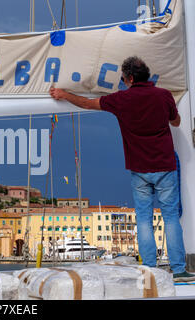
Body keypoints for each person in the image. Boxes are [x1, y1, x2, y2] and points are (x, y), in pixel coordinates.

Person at [49, 56, 195, 282]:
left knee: (144, 219)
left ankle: (149, 270)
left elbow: (88, 103)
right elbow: (175, 121)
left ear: (128, 78)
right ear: (146, 75)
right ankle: (179, 270)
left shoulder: (121, 100)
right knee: (171, 218)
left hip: (139, 168)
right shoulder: (163, 95)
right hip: (165, 166)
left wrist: (63, 94)